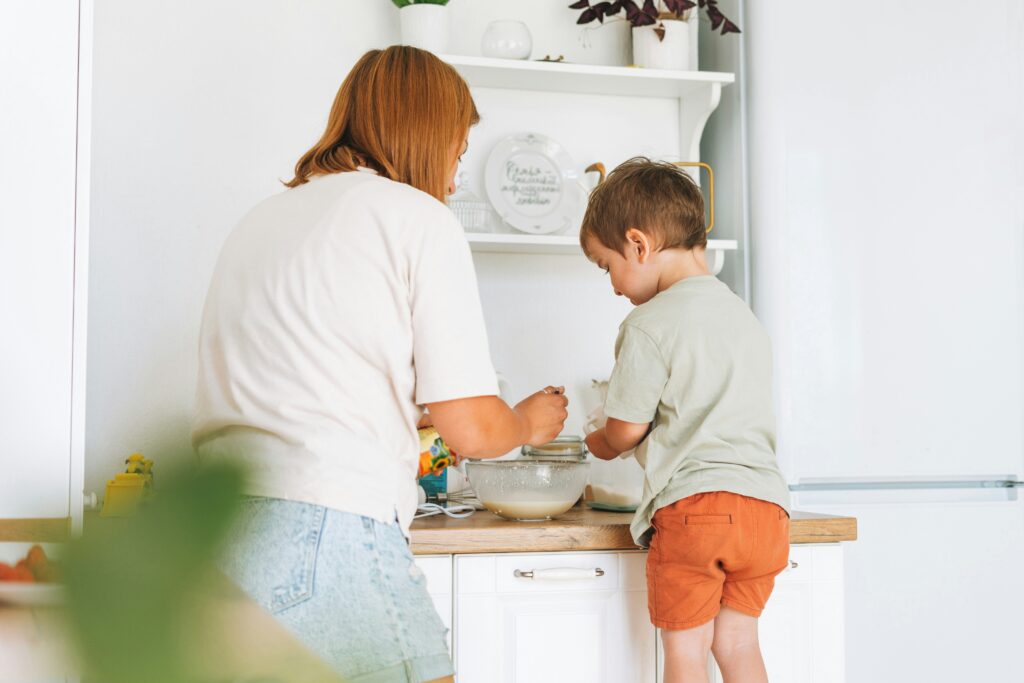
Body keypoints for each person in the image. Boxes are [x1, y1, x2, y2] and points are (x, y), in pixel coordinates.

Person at [191, 46, 569, 683]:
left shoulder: (261, 220)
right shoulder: (417, 218)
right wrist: (526, 424)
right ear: (424, 132)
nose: (453, 177)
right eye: (456, 149)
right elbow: (471, 428)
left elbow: (314, 374)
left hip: (219, 533)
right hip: (324, 528)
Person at [580, 158, 790, 683]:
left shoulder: (649, 323)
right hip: (767, 512)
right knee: (740, 645)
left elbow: (625, 430)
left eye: (607, 266)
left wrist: (597, 442)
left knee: (686, 654)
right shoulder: (744, 317)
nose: (612, 285)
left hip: (698, 510)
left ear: (638, 244)